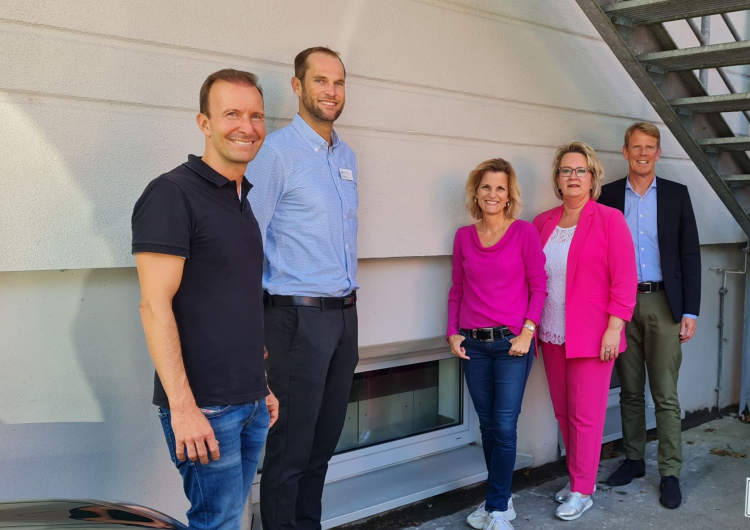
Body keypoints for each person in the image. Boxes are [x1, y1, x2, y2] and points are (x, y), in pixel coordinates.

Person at [132, 69, 278, 530]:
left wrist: (262, 383)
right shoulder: (172, 194)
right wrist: (183, 408)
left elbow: (235, 301)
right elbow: (154, 307)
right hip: (206, 407)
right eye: (231, 113)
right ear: (204, 123)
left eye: (255, 116)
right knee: (216, 523)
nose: (246, 126)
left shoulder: (241, 199)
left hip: (250, 399)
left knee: (235, 519)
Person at [246, 47, 358, 530]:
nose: (330, 92)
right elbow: (247, 241)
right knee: (290, 448)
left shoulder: (346, 155)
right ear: (297, 87)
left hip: (343, 316)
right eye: (320, 81)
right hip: (294, 319)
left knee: (323, 444)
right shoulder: (274, 153)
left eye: (338, 83)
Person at [532, 141, 637, 521]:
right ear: (557, 179)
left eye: (580, 170)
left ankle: (583, 488)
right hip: (551, 332)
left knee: (586, 415)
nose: (572, 177)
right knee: (564, 412)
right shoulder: (542, 223)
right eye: (565, 170)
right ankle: (577, 478)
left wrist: (614, 328)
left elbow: (625, 280)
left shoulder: (609, 219)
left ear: (593, 177)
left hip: (594, 336)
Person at [599, 122, 700, 509]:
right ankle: (634, 460)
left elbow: (690, 254)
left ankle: (670, 472)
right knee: (628, 390)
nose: (643, 153)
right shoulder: (607, 197)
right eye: (636, 147)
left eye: (650, 147)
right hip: (620, 304)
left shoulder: (676, 195)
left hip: (664, 302)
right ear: (625, 152)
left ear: (659, 153)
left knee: (665, 393)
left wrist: (689, 310)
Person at [447, 158, 547, 530]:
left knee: (504, 427)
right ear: (477, 192)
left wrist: (527, 331)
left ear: (509, 196)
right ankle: (500, 501)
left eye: (500, 188)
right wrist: (452, 332)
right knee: (488, 428)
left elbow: (539, 285)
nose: (493, 194)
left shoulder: (523, 233)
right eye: (486, 187)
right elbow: (457, 289)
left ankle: (498, 507)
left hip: (511, 346)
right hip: (473, 346)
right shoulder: (463, 237)